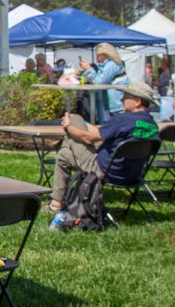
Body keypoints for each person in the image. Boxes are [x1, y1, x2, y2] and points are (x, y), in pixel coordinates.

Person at [48, 81, 160, 214]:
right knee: (67, 147)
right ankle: (57, 204)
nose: (121, 99)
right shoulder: (153, 125)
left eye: (125, 96)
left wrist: (68, 126)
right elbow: (100, 133)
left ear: (137, 101)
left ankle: (56, 204)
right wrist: (85, 125)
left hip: (105, 171)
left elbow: (88, 138)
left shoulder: (122, 119)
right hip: (132, 175)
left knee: (66, 147)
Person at [79, 42, 129, 123]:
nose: (96, 58)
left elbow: (99, 82)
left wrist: (88, 69)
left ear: (105, 54)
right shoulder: (109, 64)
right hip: (114, 103)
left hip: (116, 104)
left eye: (98, 55)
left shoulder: (112, 64)